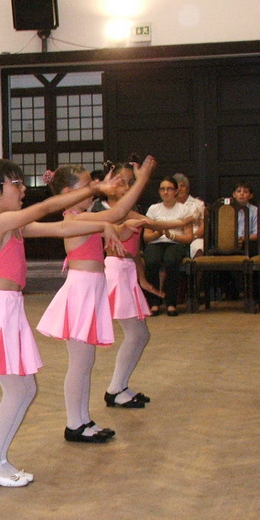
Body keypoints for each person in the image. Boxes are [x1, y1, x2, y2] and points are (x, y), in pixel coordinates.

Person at [0, 159, 132, 487]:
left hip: (8, 311)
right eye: (15, 184)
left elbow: (62, 227)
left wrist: (105, 218)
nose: (23, 190)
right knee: (18, 391)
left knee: (24, 389)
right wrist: (95, 188)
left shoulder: (13, 226)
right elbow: (45, 208)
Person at [37, 156, 155, 444]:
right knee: (80, 362)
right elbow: (118, 213)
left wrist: (115, 229)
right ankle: (75, 423)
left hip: (90, 289)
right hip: (81, 291)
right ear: (69, 193)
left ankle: (81, 420)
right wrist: (142, 179)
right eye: (88, 186)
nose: (95, 189)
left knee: (84, 361)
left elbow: (115, 223)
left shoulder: (85, 218)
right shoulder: (75, 219)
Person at [100, 164, 184, 408]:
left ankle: (120, 386)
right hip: (116, 272)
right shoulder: (112, 212)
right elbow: (154, 224)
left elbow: (134, 252)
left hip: (126, 271)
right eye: (123, 182)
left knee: (140, 335)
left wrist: (143, 279)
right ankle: (115, 389)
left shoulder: (129, 211)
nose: (127, 187)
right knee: (136, 334)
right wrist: (190, 219)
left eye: (131, 182)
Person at [142, 177, 194, 316]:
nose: (165, 192)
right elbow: (146, 237)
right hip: (156, 242)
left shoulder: (184, 210)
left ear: (176, 191)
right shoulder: (153, 209)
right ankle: (154, 302)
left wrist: (172, 236)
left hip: (175, 243)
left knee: (171, 261)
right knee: (152, 261)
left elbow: (189, 238)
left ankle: (171, 302)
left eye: (169, 189)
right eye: (162, 189)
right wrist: (158, 233)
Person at [174, 173, 206, 257]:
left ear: (187, 189)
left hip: (195, 237)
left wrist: (193, 236)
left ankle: (197, 265)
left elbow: (204, 225)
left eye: (182, 186)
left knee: (198, 247)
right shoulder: (169, 205)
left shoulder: (198, 204)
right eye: (177, 187)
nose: (180, 189)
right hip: (175, 237)